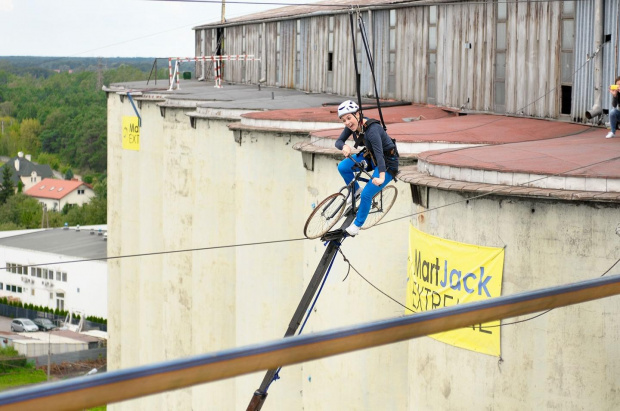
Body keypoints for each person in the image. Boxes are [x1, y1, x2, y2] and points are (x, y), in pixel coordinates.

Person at [335, 100, 399, 236]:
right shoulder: (352, 126)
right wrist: (344, 146)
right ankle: (356, 190)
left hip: (387, 163)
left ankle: (357, 225)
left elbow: (380, 154)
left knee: (367, 194)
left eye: (349, 118)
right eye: (343, 120)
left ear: (357, 114)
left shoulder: (372, 130)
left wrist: (381, 177)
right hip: (371, 157)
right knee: (343, 167)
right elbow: (338, 141)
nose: (347, 122)